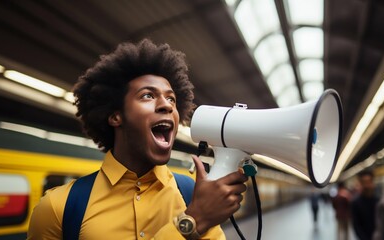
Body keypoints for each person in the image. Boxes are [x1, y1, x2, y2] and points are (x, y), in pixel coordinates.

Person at [27, 39, 248, 239]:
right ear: (116, 116)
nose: (166, 105)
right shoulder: (59, 208)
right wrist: (193, 221)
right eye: (148, 95)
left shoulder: (193, 194)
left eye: (171, 98)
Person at [351, 170, 378, 240]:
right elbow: (356, 226)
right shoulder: (355, 203)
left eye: (368, 182)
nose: (367, 185)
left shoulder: (379, 201)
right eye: (364, 182)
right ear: (360, 184)